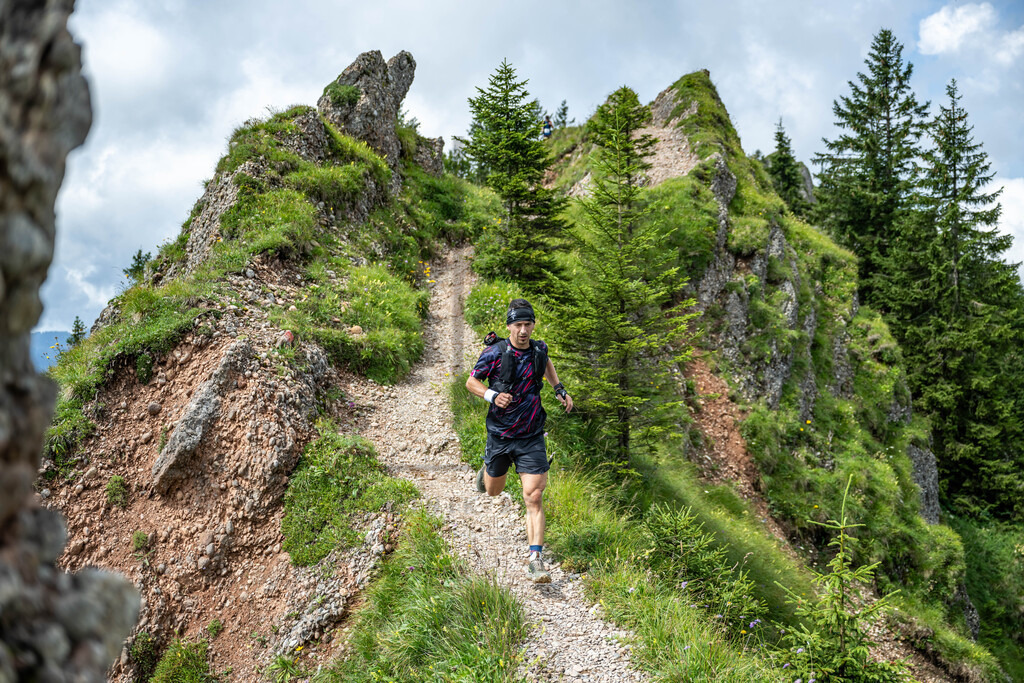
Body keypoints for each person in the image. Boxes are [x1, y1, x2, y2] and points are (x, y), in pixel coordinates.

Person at [466, 298, 573, 583]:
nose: (523, 330)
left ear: (533, 324)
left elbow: (547, 363)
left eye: (528, 324)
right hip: (500, 434)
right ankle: (487, 471)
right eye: (518, 325)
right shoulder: (494, 353)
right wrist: (491, 395)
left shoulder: (539, 348)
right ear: (509, 326)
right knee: (493, 491)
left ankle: (535, 559)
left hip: (531, 434)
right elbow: (471, 381)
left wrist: (558, 388)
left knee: (534, 496)